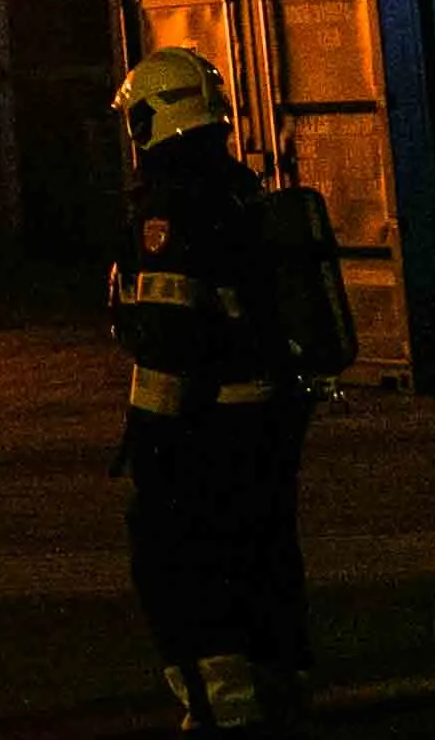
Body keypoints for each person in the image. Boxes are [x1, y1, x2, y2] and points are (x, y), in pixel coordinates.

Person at [110, 47, 315, 734]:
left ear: (154, 120)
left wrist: (153, 448)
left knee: (178, 565)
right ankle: (278, 689)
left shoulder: (168, 212)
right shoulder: (240, 188)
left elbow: (168, 340)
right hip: (267, 417)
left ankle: (221, 707)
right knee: (261, 556)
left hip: (200, 429)